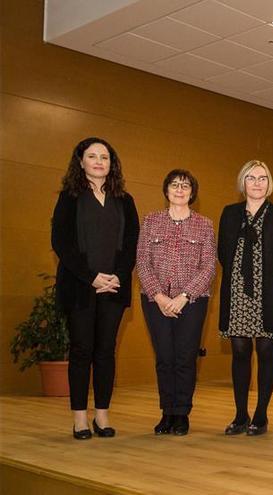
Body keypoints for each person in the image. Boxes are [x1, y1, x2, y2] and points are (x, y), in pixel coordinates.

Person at [51, 137, 139, 440]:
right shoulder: (69, 197)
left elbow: (131, 244)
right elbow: (61, 242)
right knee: (81, 350)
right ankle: (80, 418)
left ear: (111, 164)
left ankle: (102, 415)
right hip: (81, 286)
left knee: (105, 351)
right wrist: (91, 277)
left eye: (105, 157)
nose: (99, 161)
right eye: (92, 156)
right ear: (81, 162)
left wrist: (117, 275)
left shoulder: (124, 200)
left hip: (114, 286)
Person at [217, 160, 273, 436]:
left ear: (269, 183)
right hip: (237, 294)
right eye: (251, 178)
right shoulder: (229, 213)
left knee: (265, 352)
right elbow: (222, 254)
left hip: (268, 295)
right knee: (239, 352)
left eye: (263, 178)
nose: (257, 183)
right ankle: (240, 415)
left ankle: (260, 415)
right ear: (243, 183)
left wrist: (270, 283)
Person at [136, 169, 215, 436]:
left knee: (184, 358)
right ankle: (166, 412)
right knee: (164, 358)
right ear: (166, 190)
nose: (180, 190)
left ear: (192, 192)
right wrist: (159, 296)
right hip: (154, 300)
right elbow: (142, 263)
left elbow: (208, 268)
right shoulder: (150, 221)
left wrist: (184, 297)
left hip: (192, 302)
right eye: (174, 185)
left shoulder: (205, 224)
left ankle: (181, 413)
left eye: (185, 186)